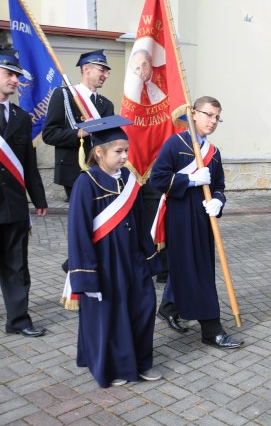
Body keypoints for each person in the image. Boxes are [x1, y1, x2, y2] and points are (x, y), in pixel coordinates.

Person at [67, 115, 162, 388]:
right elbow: (79, 233)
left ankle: (142, 361)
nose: (124, 157)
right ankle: (116, 367)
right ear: (99, 152)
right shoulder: (87, 183)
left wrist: (151, 259)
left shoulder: (129, 179)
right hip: (105, 263)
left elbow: (141, 223)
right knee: (113, 314)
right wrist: (85, 277)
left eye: (126, 151)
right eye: (118, 152)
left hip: (133, 260)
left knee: (143, 307)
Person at [150, 96, 243, 349]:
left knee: (191, 266)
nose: (212, 121)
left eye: (217, 117)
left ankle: (169, 307)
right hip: (180, 217)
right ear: (193, 114)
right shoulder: (175, 144)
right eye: (208, 115)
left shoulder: (214, 152)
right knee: (198, 271)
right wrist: (189, 180)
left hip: (203, 217)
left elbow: (220, 186)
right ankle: (211, 328)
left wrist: (219, 202)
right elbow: (157, 179)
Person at [0, 48, 48, 338]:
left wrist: (39, 198)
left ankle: (18, 320)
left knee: (17, 266)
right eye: (9, 74)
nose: (16, 80)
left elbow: (28, 164)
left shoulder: (21, 116)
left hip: (15, 206)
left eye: (17, 76)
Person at [43, 50, 114, 202]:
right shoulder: (64, 95)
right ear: (86, 69)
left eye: (107, 72)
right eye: (102, 70)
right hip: (74, 170)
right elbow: (49, 134)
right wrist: (78, 133)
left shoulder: (107, 104)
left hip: (103, 170)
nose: (106, 76)